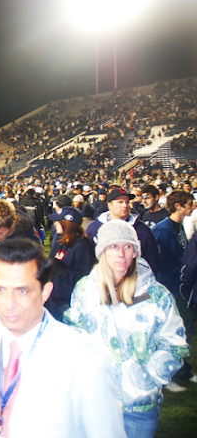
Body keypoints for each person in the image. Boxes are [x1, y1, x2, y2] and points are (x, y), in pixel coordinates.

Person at [0, 238, 127, 438]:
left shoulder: (85, 360)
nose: (9, 303)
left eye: (22, 291)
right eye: (0, 289)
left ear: (45, 292)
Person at [65, 220, 189, 438]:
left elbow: (175, 345)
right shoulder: (85, 289)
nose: (121, 254)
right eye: (113, 246)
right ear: (102, 252)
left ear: (135, 252)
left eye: (127, 246)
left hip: (139, 408)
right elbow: (72, 338)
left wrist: (145, 380)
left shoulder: (157, 295)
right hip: (95, 404)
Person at [152, 190, 195, 390]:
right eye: (189, 203)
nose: (193, 206)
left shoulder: (177, 227)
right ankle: (167, 375)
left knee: (185, 330)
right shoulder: (164, 230)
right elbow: (162, 262)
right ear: (178, 206)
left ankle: (182, 370)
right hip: (170, 287)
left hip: (179, 286)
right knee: (172, 332)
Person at [86, 187, 160, 274]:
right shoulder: (94, 228)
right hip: (102, 281)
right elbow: (87, 259)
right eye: (120, 202)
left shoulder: (142, 230)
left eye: (127, 202)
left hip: (135, 281)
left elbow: (153, 259)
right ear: (110, 205)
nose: (125, 205)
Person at [43, 206, 95, 322]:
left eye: (58, 221)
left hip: (68, 303)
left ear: (67, 223)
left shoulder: (83, 246)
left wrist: (61, 271)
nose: (55, 224)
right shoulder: (60, 241)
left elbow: (84, 280)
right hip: (53, 299)